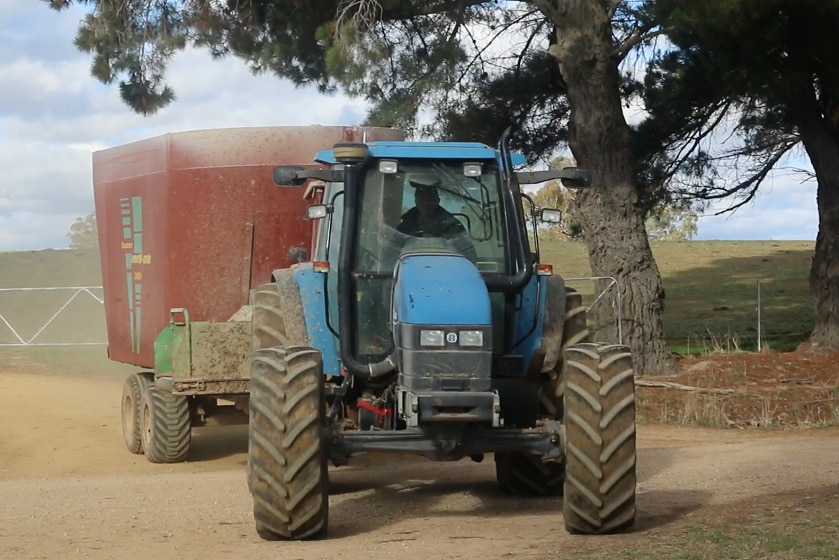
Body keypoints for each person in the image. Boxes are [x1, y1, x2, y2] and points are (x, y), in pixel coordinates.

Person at [396, 174, 477, 261]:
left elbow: (469, 258)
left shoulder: (453, 227)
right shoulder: (405, 228)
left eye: (430, 199)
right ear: (416, 200)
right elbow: (389, 257)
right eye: (422, 198)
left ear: (437, 201)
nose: (426, 203)